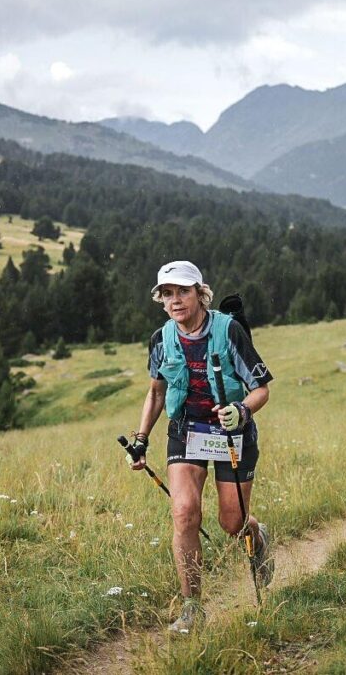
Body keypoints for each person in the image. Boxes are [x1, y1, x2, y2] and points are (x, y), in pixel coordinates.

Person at [128, 260, 274, 634]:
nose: (175, 300)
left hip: (231, 434)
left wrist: (241, 410)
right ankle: (192, 606)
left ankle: (257, 537)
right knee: (184, 514)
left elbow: (262, 389)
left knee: (232, 522)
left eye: (182, 292)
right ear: (161, 301)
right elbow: (156, 393)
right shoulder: (161, 339)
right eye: (167, 294)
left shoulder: (230, 332)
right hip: (186, 432)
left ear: (199, 293)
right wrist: (141, 439)